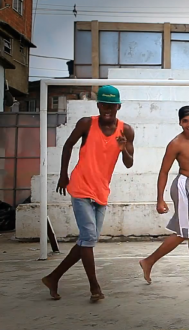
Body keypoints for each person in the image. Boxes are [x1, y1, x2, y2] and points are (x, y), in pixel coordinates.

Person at [42, 85, 135, 301]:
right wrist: (63, 175)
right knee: (90, 237)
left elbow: (129, 164)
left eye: (111, 105)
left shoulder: (126, 130)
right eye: (103, 104)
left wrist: (124, 148)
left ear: (118, 106)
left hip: (101, 190)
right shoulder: (87, 123)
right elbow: (68, 145)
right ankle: (95, 288)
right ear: (98, 105)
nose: (107, 109)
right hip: (81, 186)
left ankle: (53, 277)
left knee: (87, 239)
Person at [139, 106, 189, 286]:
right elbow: (163, 172)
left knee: (184, 232)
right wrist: (160, 199)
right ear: (180, 123)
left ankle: (148, 261)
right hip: (184, 186)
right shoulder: (176, 144)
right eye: (185, 121)